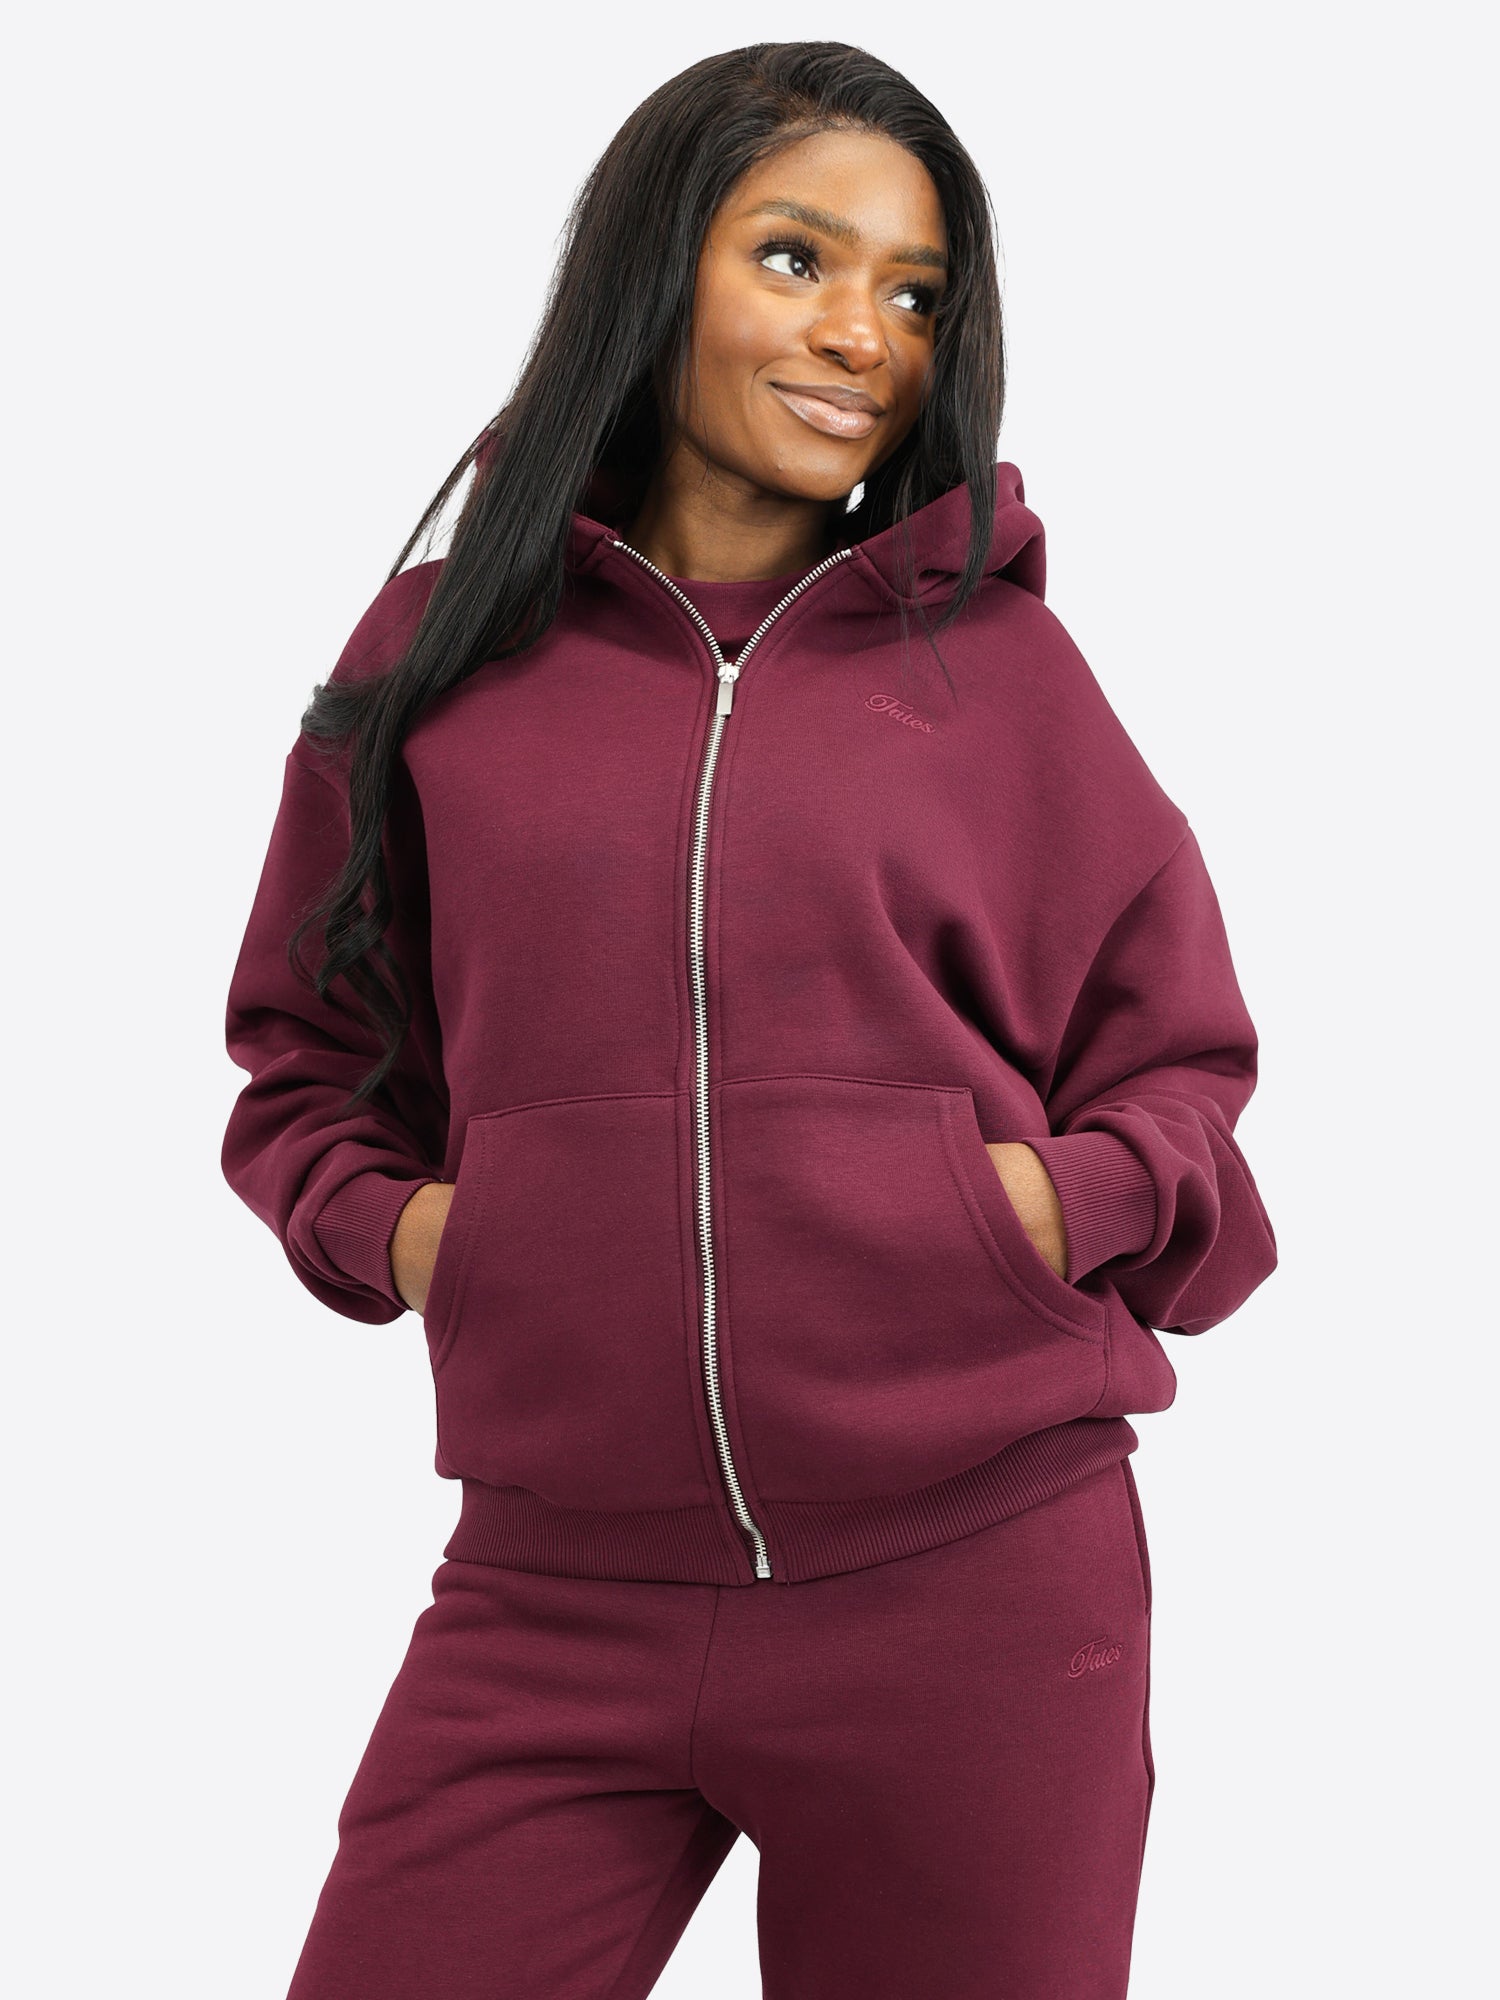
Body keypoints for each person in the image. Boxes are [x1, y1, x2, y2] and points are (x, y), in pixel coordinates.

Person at [220, 39, 1278, 2000]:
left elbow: (1183, 1073)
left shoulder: (1005, 673)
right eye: (797, 257)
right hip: (552, 1587)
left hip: (976, 1588)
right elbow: (308, 1054)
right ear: (659, 267)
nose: (863, 334)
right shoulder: (444, 661)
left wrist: (1024, 1213)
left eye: (916, 293)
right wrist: (427, 1235)